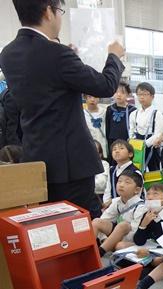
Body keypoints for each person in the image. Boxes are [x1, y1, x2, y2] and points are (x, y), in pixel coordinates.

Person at [0, 0, 125, 214]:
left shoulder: (8, 54)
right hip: (71, 163)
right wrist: (114, 57)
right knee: (80, 222)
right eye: (60, 11)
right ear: (48, 12)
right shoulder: (56, 54)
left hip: (36, 156)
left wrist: (68, 57)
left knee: (48, 223)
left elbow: (46, 82)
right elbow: (105, 86)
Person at [92, 169, 146, 256]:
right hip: (116, 235)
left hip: (132, 240)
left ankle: (98, 254)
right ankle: (88, 250)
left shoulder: (140, 207)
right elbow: (104, 219)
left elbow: (134, 235)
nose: (121, 185)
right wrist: (105, 239)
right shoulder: (116, 202)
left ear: (137, 190)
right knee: (96, 221)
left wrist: (114, 239)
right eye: (119, 181)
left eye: (127, 182)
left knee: (122, 228)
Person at [103, 139, 139, 207]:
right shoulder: (112, 170)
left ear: (130, 154)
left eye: (121, 148)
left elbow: (135, 195)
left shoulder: (135, 171)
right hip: (113, 207)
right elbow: (108, 189)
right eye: (114, 149)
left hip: (131, 207)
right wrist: (106, 203)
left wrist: (112, 201)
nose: (117, 151)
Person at [105, 82, 136, 158]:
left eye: (122, 93)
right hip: (112, 141)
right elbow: (107, 127)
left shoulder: (132, 110)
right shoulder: (110, 109)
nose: (119, 95)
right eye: (116, 92)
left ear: (128, 95)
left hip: (126, 141)